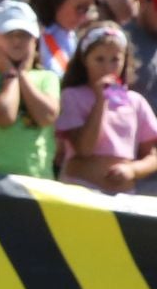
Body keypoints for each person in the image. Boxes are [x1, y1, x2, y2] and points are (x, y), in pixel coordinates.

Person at [56, 22, 157, 195]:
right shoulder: (72, 96)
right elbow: (84, 149)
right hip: (80, 191)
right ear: (84, 60)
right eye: (99, 59)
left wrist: (133, 170)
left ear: (125, 60)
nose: (107, 68)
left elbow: (152, 155)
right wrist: (100, 102)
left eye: (115, 60)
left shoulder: (135, 102)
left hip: (122, 197)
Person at [0, 0, 59, 180]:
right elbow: (4, 116)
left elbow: (46, 116)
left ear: (35, 41)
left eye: (24, 35)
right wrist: (11, 76)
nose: (17, 41)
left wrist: (22, 75)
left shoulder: (48, 78)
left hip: (38, 179)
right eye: (9, 35)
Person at [30, 0, 101, 78]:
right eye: (79, 8)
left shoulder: (75, 38)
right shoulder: (33, 37)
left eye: (87, 9)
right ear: (56, 2)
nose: (84, 16)